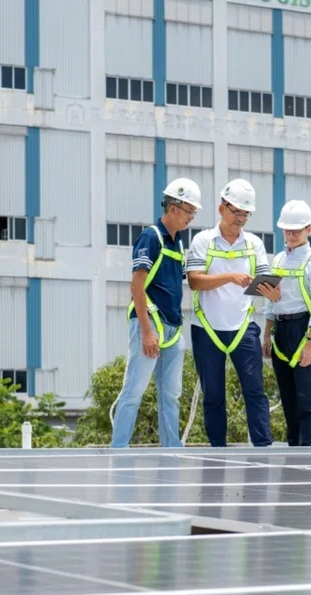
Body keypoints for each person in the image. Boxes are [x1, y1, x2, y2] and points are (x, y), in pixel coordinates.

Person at [110, 177, 201, 448]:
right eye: (189, 211)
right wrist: (147, 332)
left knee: (171, 395)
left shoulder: (179, 242)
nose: (191, 217)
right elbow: (137, 284)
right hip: (150, 324)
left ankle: (172, 450)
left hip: (173, 329)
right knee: (134, 391)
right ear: (173, 207)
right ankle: (119, 451)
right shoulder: (152, 237)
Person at [186, 179, 277, 447]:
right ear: (221, 208)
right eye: (237, 212)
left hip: (243, 326)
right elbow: (194, 281)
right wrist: (229, 277)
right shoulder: (203, 240)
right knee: (213, 394)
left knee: (255, 391)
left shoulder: (254, 244)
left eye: (245, 214)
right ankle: (218, 450)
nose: (241, 219)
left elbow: (265, 283)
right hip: (207, 329)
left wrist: (273, 292)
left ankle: (263, 447)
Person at [262, 200, 311, 447]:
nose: (290, 235)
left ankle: (309, 453)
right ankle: (294, 449)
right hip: (281, 331)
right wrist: (267, 335)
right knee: (288, 398)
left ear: (309, 229)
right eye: (287, 230)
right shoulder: (278, 260)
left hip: (304, 331)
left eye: (296, 230)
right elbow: (270, 302)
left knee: (307, 399)